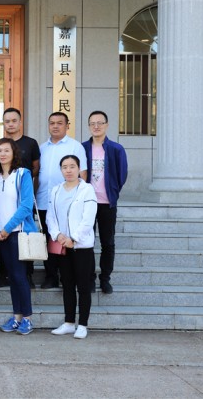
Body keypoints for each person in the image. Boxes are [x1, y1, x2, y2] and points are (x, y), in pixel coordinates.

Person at [0, 138, 36, 335]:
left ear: (14, 153)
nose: (3, 154)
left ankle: (27, 319)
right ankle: (17, 317)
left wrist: (7, 228)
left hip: (18, 233)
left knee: (19, 276)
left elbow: (26, 206)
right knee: (12, 277)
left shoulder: (23, 174)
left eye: (7, 150)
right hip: (2, 235)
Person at [46, 155, 97, 339]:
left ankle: (82, 324)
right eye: (65, 167)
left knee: (83, 286)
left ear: (79, 168)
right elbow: (50, 216)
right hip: (62, 246)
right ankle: (68, 323)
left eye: (72, 166)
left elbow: (88, 218)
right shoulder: (55, 190)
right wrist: (57, 235)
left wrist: (74, 238)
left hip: (81, 247)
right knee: (67, 285)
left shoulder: (87, 189)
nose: (68, 170)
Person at [37, 112, 87, 289]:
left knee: (64, 238)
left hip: (66, 204)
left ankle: (67, 277)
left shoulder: (75, 146)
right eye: (52, 123)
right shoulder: (42, 148)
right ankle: (51, 276)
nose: (55, 126)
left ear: (67, 125)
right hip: (43, 201)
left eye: (59, 123)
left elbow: (82, 175)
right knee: (47, 239)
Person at [82, 111, 128, 294]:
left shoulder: (116, 149)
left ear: (107, 125)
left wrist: (113, 191)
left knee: (107, 242)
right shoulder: (83, 148)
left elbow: (122, 174)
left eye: (100, 123)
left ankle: (105, 278)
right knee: (87, 243)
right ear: (89, 126)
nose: (96, 126)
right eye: (92, 123)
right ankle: (89, 278)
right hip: (87, 203)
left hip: (107, 203)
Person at [0, 107, 42, 288]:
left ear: (20, 122)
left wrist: (26, 188)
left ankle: (28, 274)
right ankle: (4, 274)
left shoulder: (30, 143)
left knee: (25, 235)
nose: (10, 124)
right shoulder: (0, 144)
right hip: (4, 197)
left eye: (14, 120)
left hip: (23, 196)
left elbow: (36, 167)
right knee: (3, 233)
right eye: (7, 121)